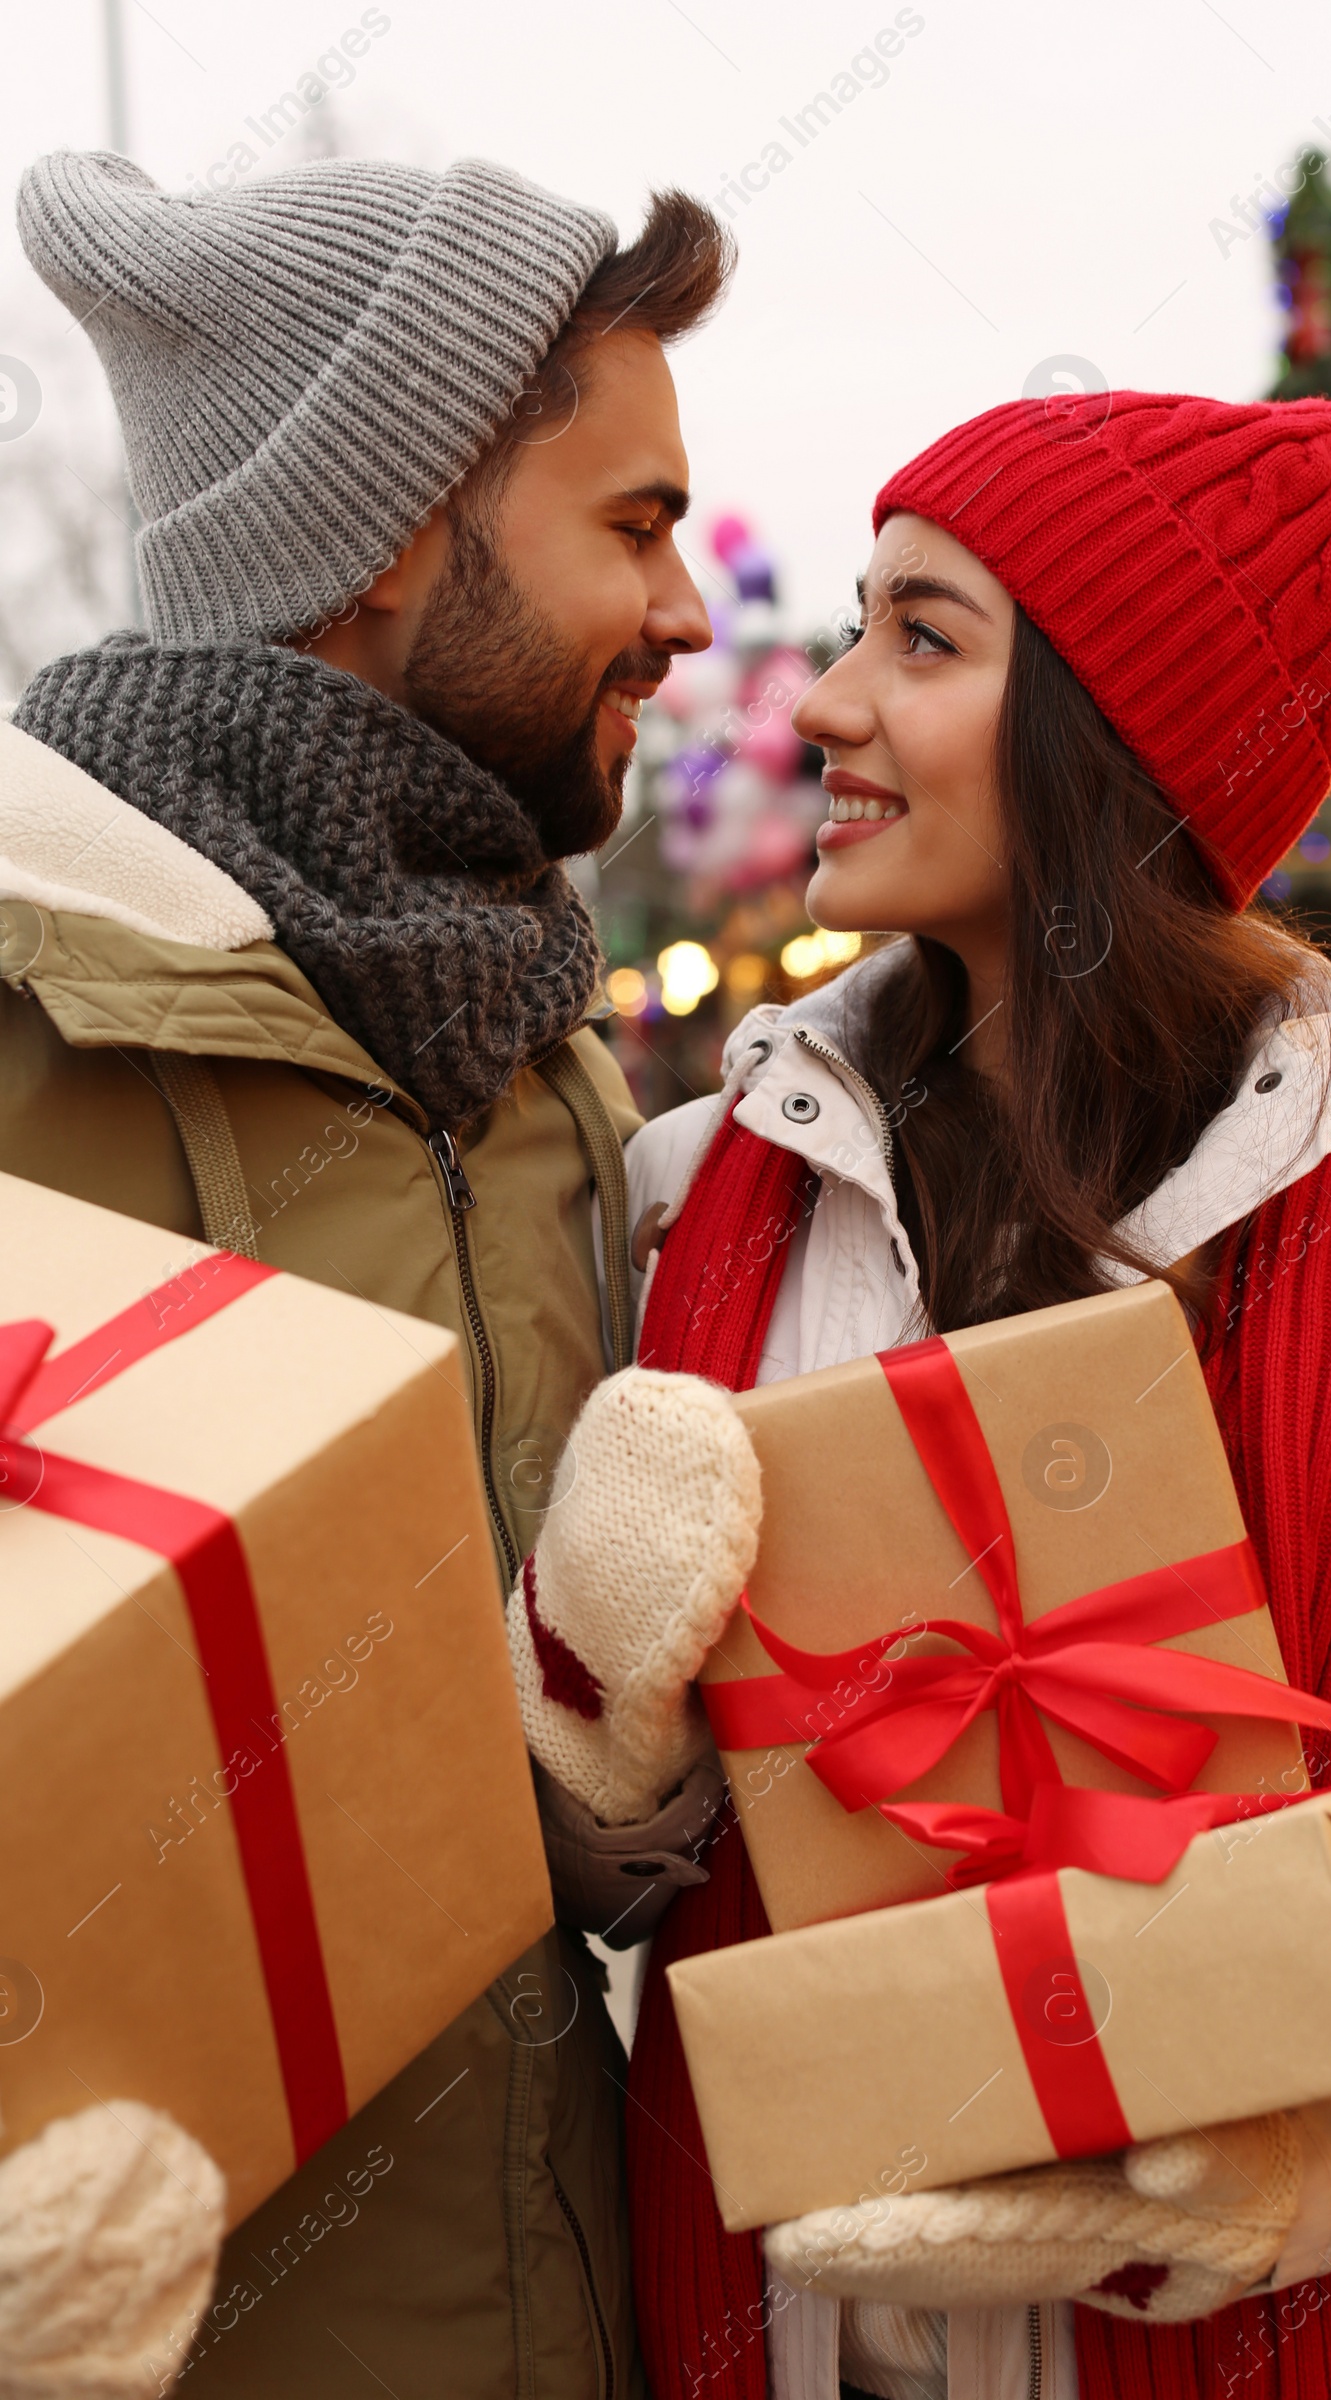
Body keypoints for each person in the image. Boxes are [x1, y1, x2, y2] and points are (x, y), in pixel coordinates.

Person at [508, 391, 1331, 2400]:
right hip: (783, 2327)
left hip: (1292, 2339)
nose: (823, 702)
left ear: (1111, 742)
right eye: (851, 624)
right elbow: (605, 1871)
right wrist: (590, 1719)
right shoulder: (687, 1206)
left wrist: (1289, 2167)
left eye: (920, 639)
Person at [0, 147, 731, 2396]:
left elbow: (531, 1853)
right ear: (396, 526)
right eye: (632, 522)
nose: (693, 611)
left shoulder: (546, 1068)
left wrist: (626, 1771)